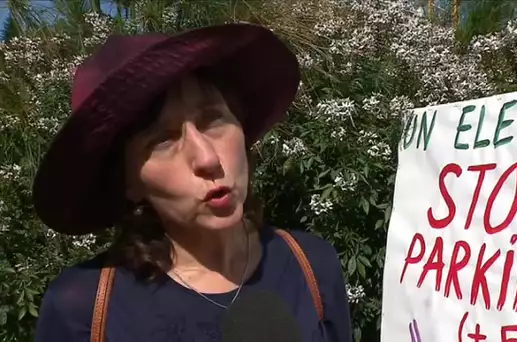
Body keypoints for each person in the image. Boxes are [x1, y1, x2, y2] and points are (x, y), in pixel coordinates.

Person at [32, 23, 352, 341]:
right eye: (163, 140)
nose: (207, 159)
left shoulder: (312, 265)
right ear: (129, 182)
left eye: (213, 120)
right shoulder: (82, 309)